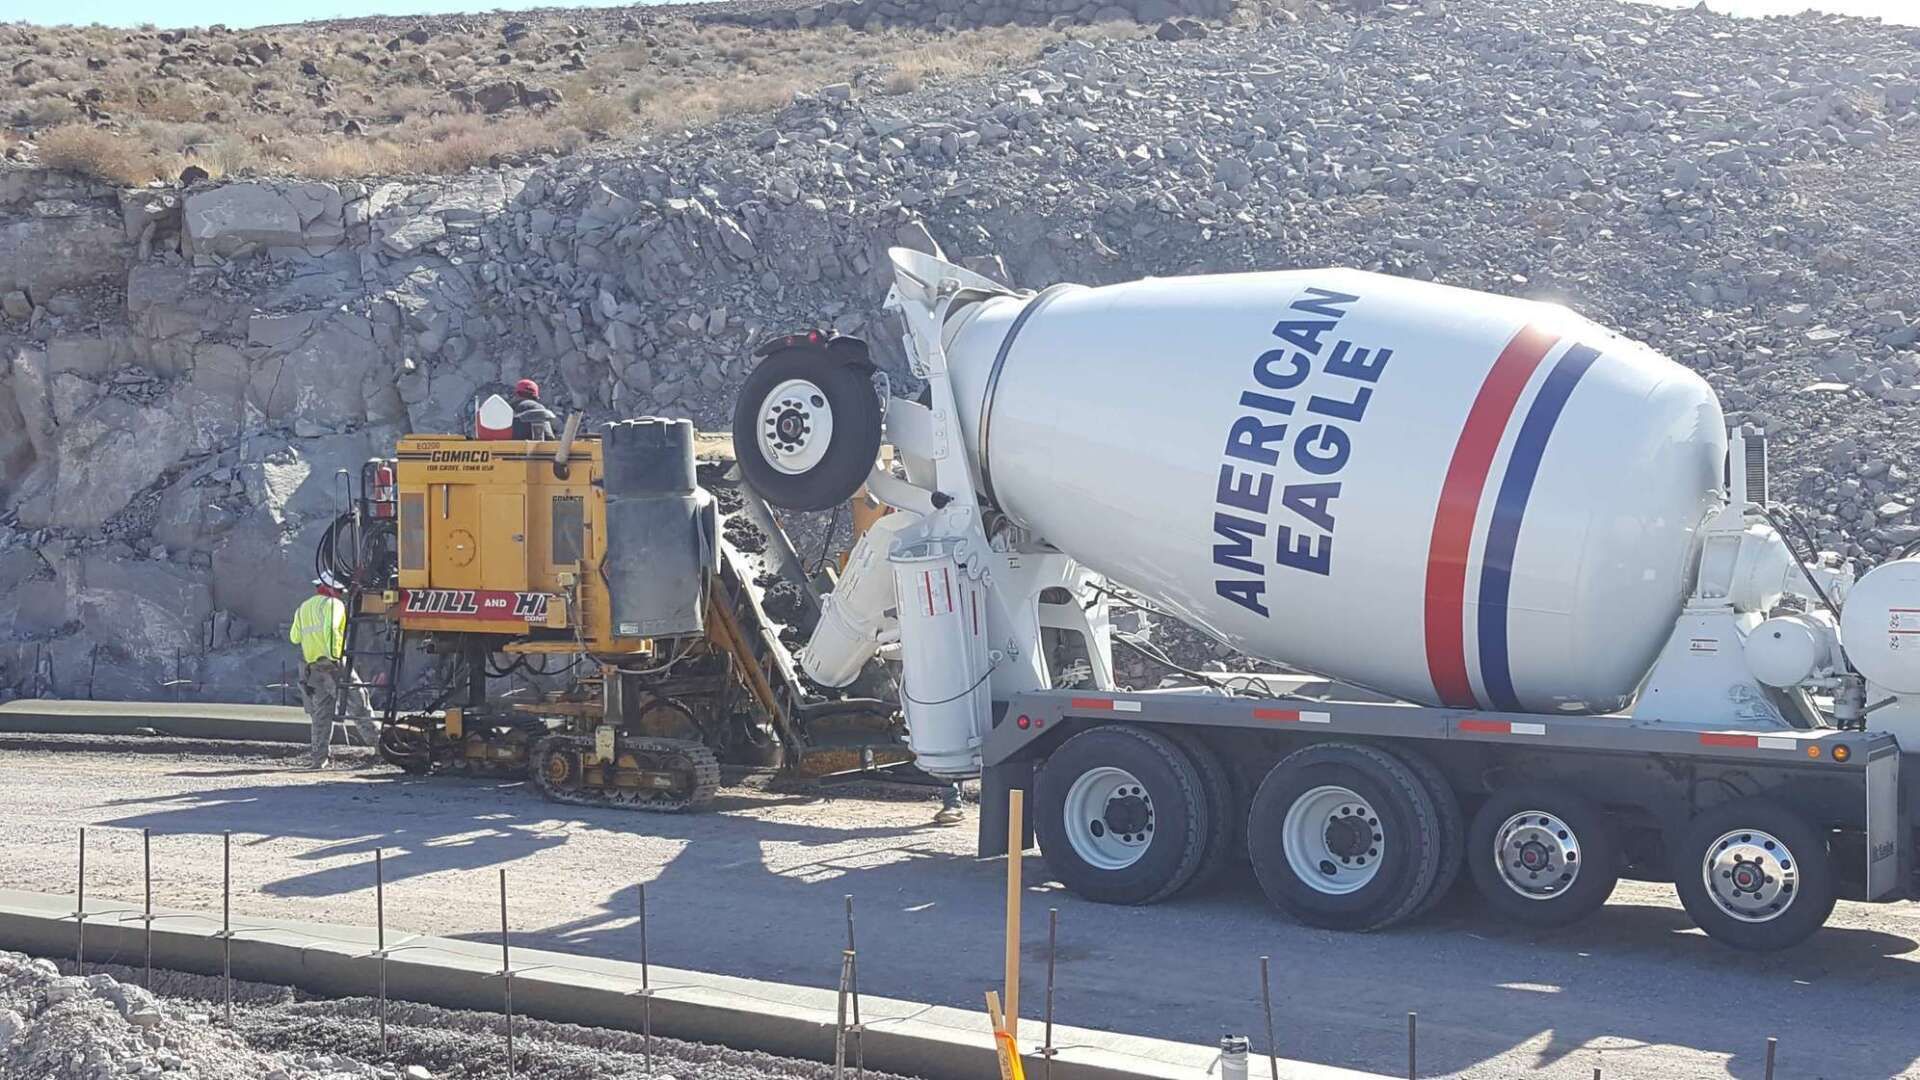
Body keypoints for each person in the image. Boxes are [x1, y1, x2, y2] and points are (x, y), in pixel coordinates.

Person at [289, 572, 379, 768]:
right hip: (332, 665)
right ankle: (382, 748)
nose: (341, 595)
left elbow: (294, 638)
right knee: (359, 705)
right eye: (340, 591)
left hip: (312, 669)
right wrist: (333, 657)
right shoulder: (334, 605)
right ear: (334, 589)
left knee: (321, 715)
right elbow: (331, 629)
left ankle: (319, 759)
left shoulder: (303, 607)